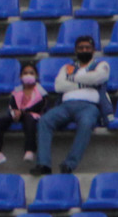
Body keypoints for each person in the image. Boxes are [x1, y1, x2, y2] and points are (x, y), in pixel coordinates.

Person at [35, 36, 111, 176]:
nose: (84, 50)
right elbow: (59, 86)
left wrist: (72, 80)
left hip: (89, 107)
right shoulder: (67, 67)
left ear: (93, 50)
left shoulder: (101, 65)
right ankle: (43, 164)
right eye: (81, 48)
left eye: (87, 48)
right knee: (44, 121)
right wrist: (86, 82)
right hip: (65, 106)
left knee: (87, 123)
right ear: (76, 50)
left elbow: (98, 78)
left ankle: (69, 164)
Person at [0, 63, 47, 165]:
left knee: (29, 119)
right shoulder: (17, 91)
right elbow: (12, 105)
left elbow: (41, 107)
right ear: (21, 76)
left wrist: (22, 112)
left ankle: (29, 150)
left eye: (31, 73)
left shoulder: (41, 91)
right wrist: (15, 113)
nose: (28, 75)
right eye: (25, 73)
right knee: (0, 122)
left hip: (33, 115)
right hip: (17, 115)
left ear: (36, 76)